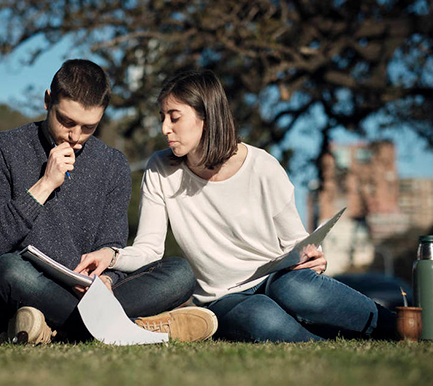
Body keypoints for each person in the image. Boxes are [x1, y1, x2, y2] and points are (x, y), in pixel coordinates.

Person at [76, 70, 397, 342]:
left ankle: (398, 326)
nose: (164, 129)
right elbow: (149, 249)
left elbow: (296, 244)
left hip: (278, 279)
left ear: (206, 117)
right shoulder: (161, 170)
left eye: (174, 118)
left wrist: (313, 260)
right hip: (222, 298)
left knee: (295, 289)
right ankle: (322, 341)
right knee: (261, 317)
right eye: (162, 118)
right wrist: (112, 255)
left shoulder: (262, 167)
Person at [0, 59, 217, 345]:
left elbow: (112, 244)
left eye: (88, 127)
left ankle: (53, 327)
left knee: (180, 272)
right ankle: (132, 327)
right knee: (7, 270)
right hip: (23, 287)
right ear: (48, 100)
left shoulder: (112, 164)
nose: (75, 136)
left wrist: (107, 280)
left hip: (87, 293)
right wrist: (44, 185)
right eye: (66, 121)